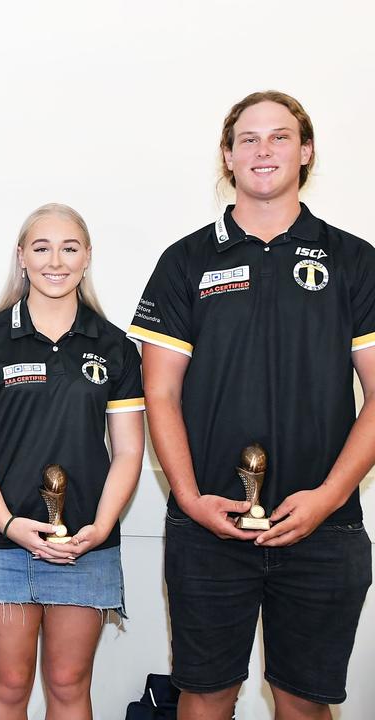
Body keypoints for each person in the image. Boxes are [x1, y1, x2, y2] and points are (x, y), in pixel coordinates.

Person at [129, 90, 375, 718]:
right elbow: (159, 392)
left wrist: (326, 499)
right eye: (248, 139)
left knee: (302, 701)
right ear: (228, 157)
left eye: (280, 136)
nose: (263, 150)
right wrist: (186, 499)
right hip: (209, 524)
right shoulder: (185, 261)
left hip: (325, 527)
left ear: (307, 151)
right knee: (205, 695)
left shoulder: (354, 260)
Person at [0, 203, 145, 719]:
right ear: (22, 258)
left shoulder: (116, 347)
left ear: (87, 257)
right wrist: (8, 523)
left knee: (69, 684)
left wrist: (100, 526)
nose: (56, 260)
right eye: (42, 247)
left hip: (84, 545)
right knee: (8, 686)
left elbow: (129, 451)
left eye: (69, 248)